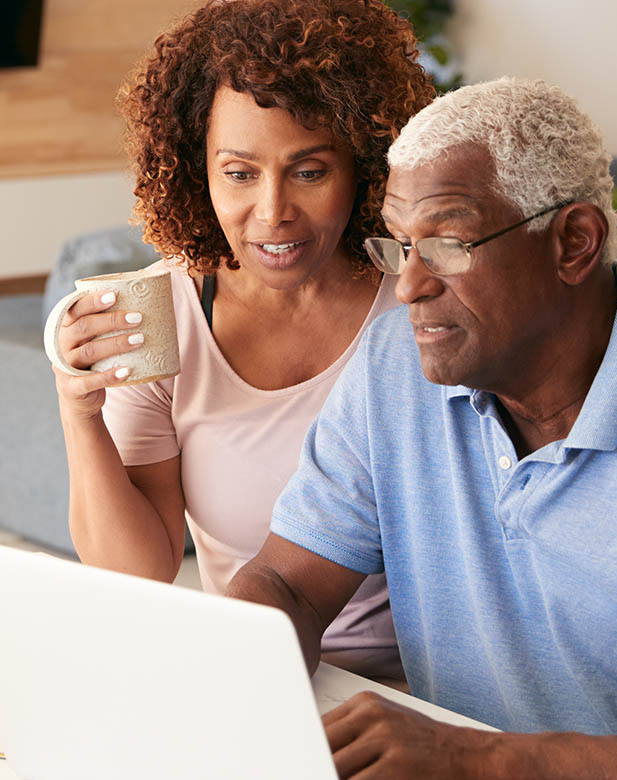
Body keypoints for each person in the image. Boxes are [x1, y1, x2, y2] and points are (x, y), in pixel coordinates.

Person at [226, 77, 617, 780]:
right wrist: (228, 695)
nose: (408, 284)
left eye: (446, 243)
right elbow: (289, 582)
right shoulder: (392, 371)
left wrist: (481, 762)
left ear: (573, 242)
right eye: (399, 245)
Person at [50, 0, 434, 681]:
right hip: (261, 674)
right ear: (197, 168)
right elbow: (137, 570)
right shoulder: (165, 309)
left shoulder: (421, 300)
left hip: (431, 689)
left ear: (365, 165)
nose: (272, 211)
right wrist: (81, 415)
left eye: (310, 171)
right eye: (239, 173)